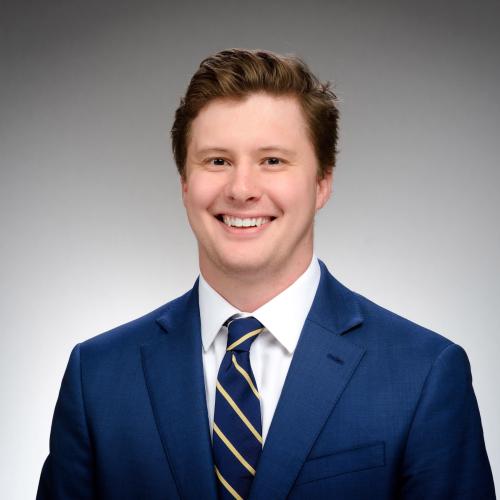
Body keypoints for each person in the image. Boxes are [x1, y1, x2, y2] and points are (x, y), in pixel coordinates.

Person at [37, 49, 495, 499]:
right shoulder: (97, 377)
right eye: (217, 161)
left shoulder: (423, 374)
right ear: (184, 184)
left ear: (322, 183)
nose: (241, 189)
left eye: (272, 160)